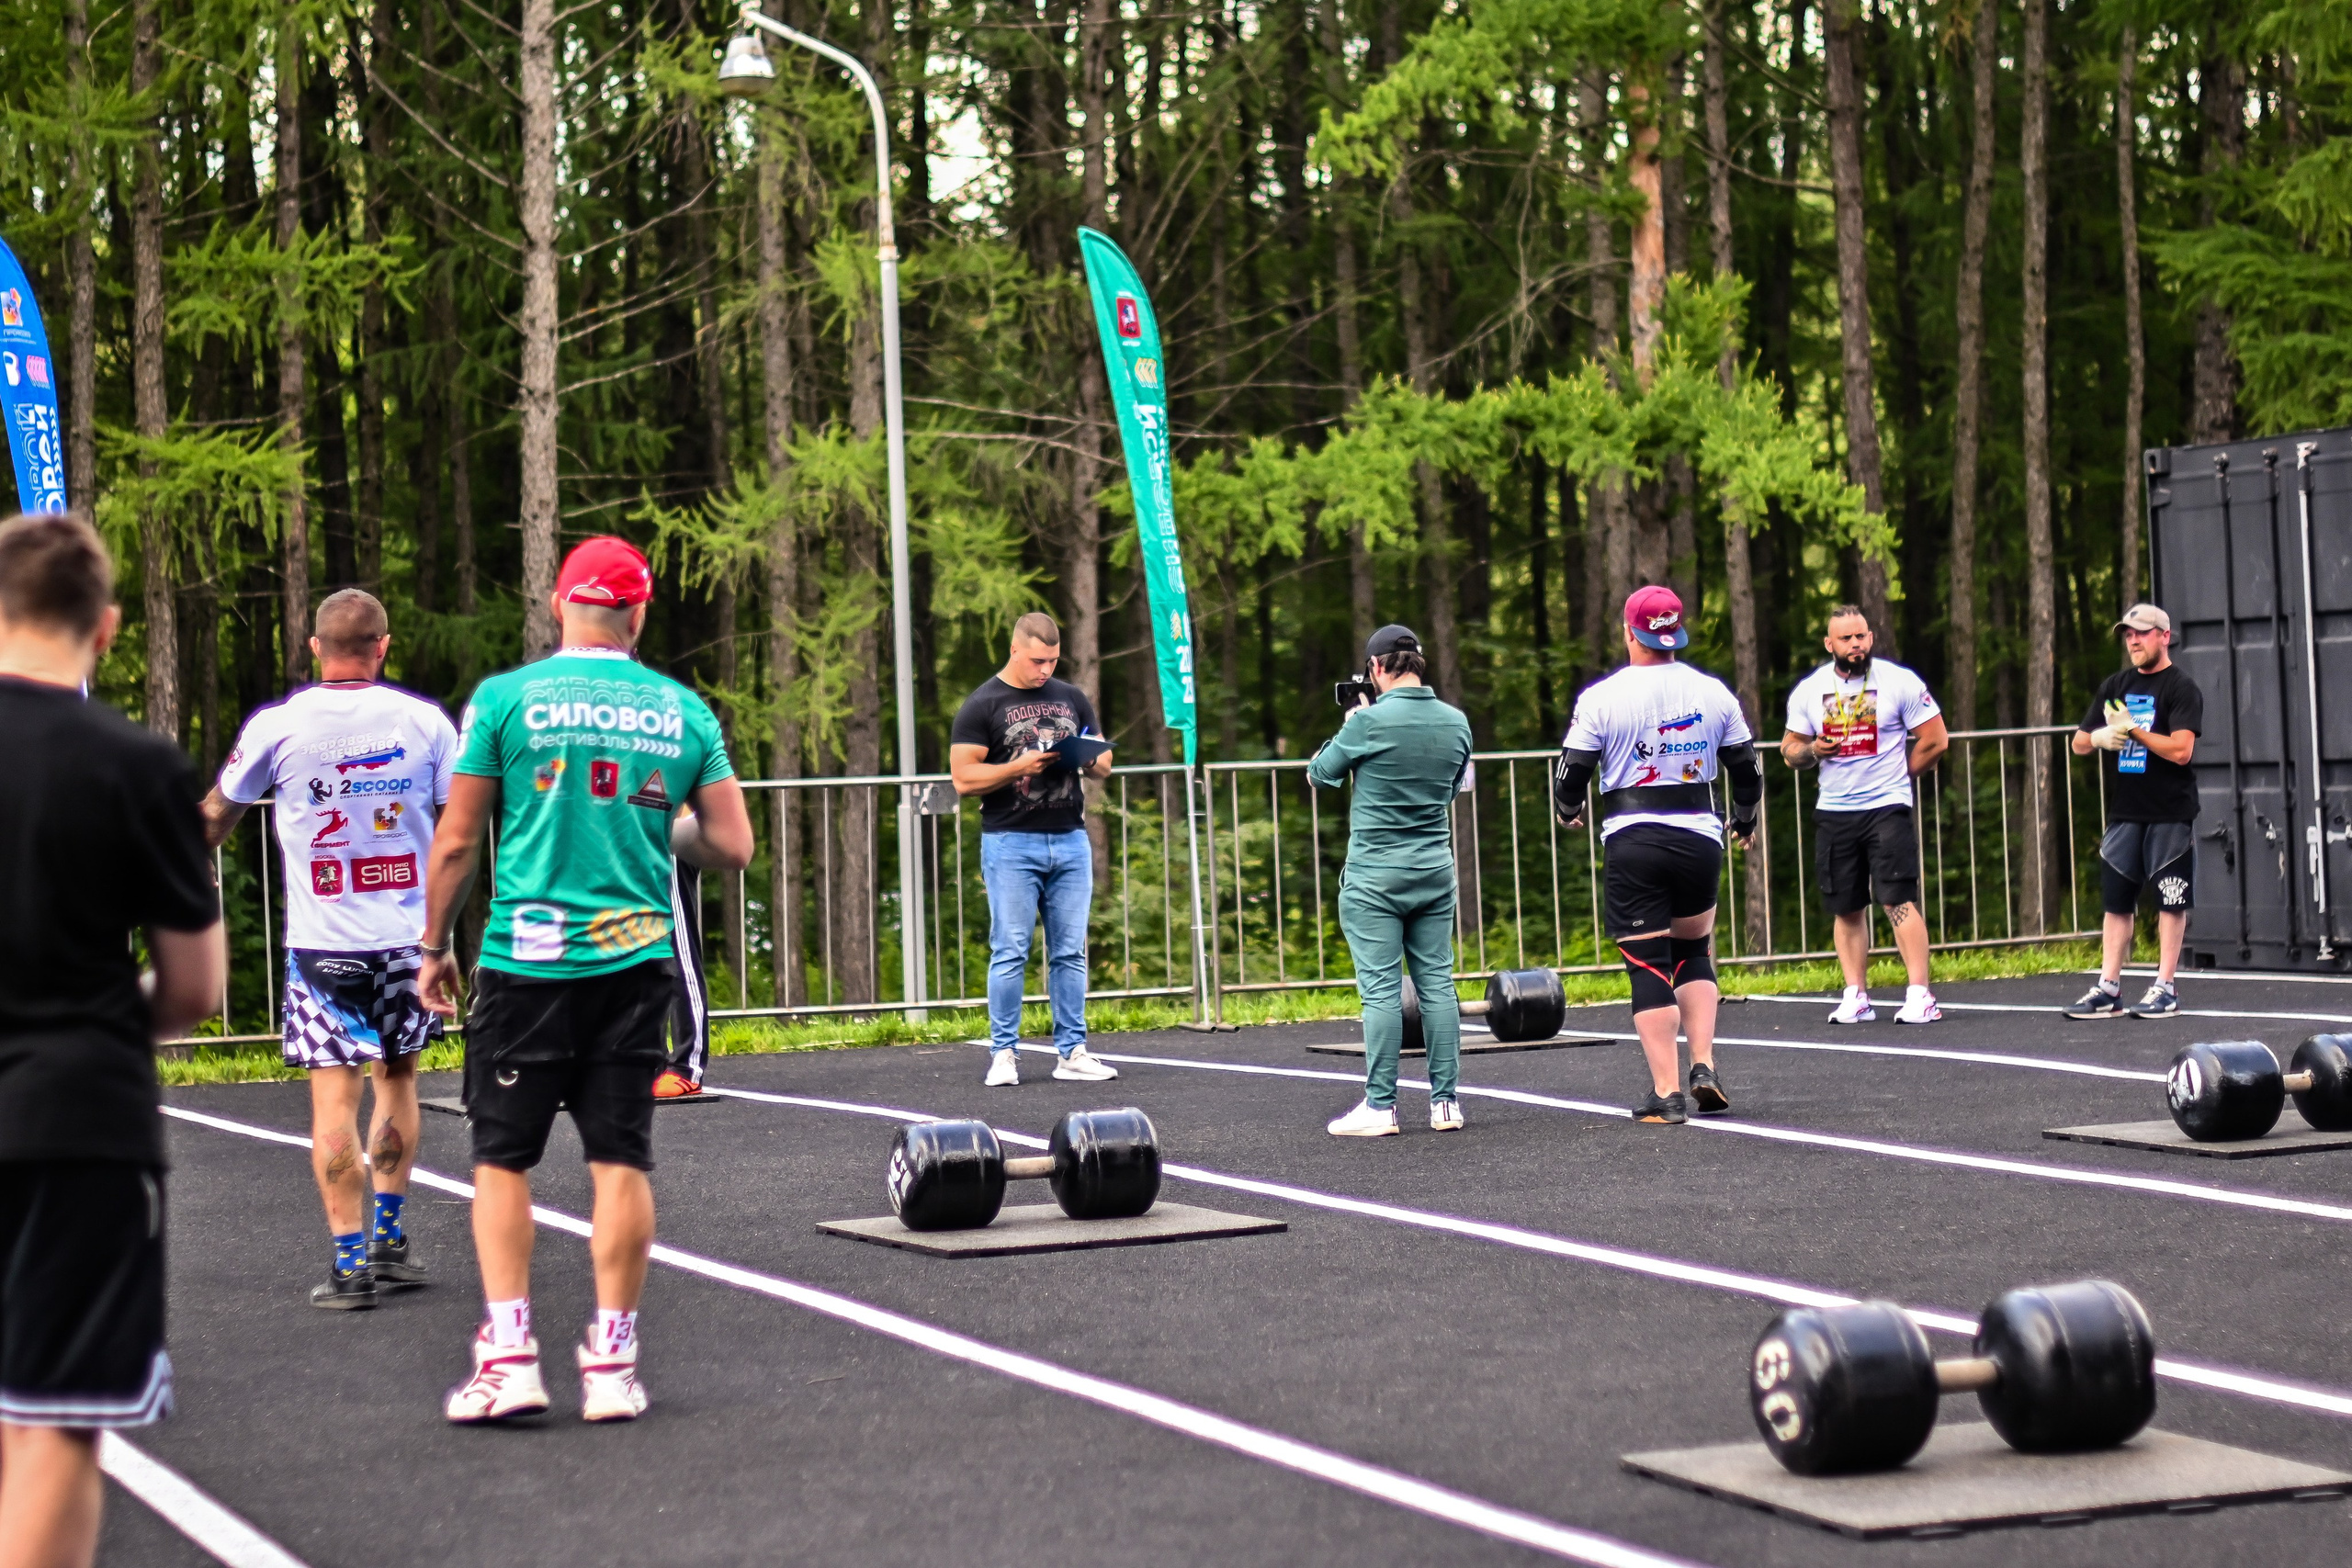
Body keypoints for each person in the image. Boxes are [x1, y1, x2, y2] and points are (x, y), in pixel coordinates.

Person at [417, 536, 752, 1425]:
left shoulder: (504, 699)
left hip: (527, 962)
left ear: (560, 605)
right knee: (620, 1161)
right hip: (636, 959)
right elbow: (731, 846)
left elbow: (456, 839)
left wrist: (431, 945)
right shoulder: (683, 710)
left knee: (501, 1160)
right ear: (638, 615)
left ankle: (513, 1353)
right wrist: (658, 828)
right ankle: (611, 1360)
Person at [0, 513, 223, 1568]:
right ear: (108, 627)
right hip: (75, 1116)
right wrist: (88, 1027)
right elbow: (195, 987)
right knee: (55, 1410)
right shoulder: (137, 764)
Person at [202, 589, 458, 1309]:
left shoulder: (278, 726)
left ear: (314, 647)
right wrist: (447, 934)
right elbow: (460, 829)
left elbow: (215, 818)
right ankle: (388, 1236)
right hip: (407, 945)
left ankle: (350, 1267)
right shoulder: (426, 722)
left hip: (322, 950)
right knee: (398, 1082)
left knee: (333, 1103)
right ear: (384, 645)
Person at [1554, 587, 1760, 1124]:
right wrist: (1744, 819)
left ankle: (1667, 1093)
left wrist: (1568, 808)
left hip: (1635, 838)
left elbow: (1572, 771)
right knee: (1694, 951)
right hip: (1699, 838)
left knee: (1649, 963)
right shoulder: (1713, 693)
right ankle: (1704, 1065)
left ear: (1629, 631)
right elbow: (1747, 770)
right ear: (1676, 631)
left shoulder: (1602, 697)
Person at [1308, 626, 1476, 1136]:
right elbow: (1452, 788)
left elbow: (1320, 773)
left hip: (1376, 874)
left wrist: (1353, 723)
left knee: (1380, 991)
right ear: (1419, 665)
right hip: (1433, 868)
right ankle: (1445, 1103)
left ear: (1376, 668)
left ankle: (1381, 1107)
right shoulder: (1457, 722)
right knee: (1437, 986)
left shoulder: (1368, 721)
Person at [948, 611, 1120, 1088]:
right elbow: (963, 778)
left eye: (1052, 661)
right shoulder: (983, 704)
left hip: (1069, 837)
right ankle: (1003, 1054)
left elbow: (1102, 758)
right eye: (1037, 661)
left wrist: (1091, 760)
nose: (1044, 670)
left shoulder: (1071, 697)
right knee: (1010, 949)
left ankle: (1073, 1052)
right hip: (1010, 841)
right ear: (1015, 650)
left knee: (1069, 951)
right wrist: (1018, 766)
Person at [1780, 604, 1950, 1025]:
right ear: (1829, 644)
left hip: (1887, 807)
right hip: (1835, 810)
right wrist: (1813, 751)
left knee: (1897, 899)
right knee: (1846, 906)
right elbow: (1789, 751)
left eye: (1862, 636)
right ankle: (1856, 993)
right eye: (1846, 639)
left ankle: (1919, 994)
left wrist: (1901, 775)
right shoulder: (1810, 690)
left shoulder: (1899, 681)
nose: (1856, 645)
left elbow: (1936, 738)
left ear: (1871, 638)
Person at [2065, 604, 2203, 1019]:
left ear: (2165, 636)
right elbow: (2078, 742)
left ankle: (2166, 986)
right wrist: (2102, 736)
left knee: (2170, 900)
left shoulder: (2181, 687)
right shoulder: (2115, 685)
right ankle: (2108, 986)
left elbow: (2181, 750)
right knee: (2116, 901)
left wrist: (2135, 732)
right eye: (2128, 634)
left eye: (2142, 633)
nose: (2133, 641)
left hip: (2168, 810)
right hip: (2125, 811)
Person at [653, 862, 710, 1100]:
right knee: (639, 952)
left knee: (679, 947)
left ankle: (687, 1067)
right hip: (630, 830)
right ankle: (649, 1063)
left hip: (668, 836)